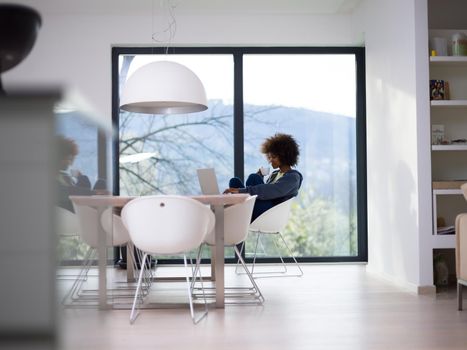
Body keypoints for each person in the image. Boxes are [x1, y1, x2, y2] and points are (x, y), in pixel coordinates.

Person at [224, 133, 303, 221]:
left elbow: (269, 191)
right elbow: (265, 192)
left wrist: (240, 191)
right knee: (235, 181)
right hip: (262, 208)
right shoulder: (275, 174)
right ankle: (239, 212)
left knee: (253, 177)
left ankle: (238, 212)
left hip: (270, 215)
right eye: (269, 157)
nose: (270, 161)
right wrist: (260, 177)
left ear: (285, 156)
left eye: (274, 157)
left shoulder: (293, 177)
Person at [56, 135, 107, 212]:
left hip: (78, 205)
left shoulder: (64, 176)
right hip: (69, 210)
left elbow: (79, 189)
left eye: (71, 159)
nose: (69, 163)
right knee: (86, 181)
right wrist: (94, 193)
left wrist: (80, 177)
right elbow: (62, 191)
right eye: (68, 159)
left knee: (101, 182)